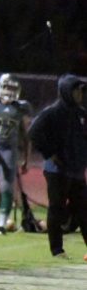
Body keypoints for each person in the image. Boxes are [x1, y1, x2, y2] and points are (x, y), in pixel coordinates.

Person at [28, 74, 87, 258]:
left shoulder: (81, 114)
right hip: (57, 171)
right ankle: (57, 250)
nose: (80, 94)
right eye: (77, 90)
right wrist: (49, 154)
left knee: (84, 209)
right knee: (56, 208)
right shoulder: (52, 112)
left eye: (81, 91)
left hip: (76, 170)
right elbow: (34, 132)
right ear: (67, 91)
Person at [0, 74, 32, 234]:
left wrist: (26, 158)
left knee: (6, 187)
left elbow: (26, 135)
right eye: (7, 87)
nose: (9, 91)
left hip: (10, 150)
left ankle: (2, 223)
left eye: (12, 88)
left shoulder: (21, 107)